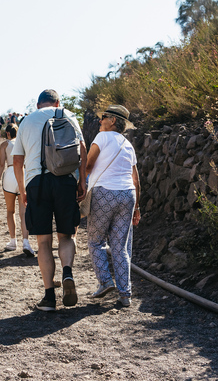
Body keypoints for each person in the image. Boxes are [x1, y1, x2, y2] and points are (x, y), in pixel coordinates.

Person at [13, 89, 87, 311]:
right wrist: (82, 181)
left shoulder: (27, 121)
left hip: (37, 182)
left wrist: (23, 189)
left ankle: (49, 298)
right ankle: (67, 272)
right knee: (66, 234)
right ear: (57, 103)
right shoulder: (68, 115)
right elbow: (82, 150)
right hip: (65, 180)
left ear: (38, 105)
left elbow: (17, 161)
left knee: (43, 242)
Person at [85, 104, 141, 307]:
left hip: (104, 193)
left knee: (95, 241)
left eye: (104, 117)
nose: (100, 121)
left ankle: (105, 282)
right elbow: (136, 180)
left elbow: (89, 166)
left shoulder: (102, 138)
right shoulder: (128, 145)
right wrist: (137, 208)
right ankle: (125, 294)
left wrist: (80, 185)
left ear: (113, 121)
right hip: (128, 196)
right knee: (121, 247)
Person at [0, 123, 35, 256]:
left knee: (10, 211)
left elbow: (1, 165)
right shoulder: (24, 143)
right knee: (24, 212)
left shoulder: (5, 145)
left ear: (7, 133)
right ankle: (26, 242)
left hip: (10, 174)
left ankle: (13, 241)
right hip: (23, 174)